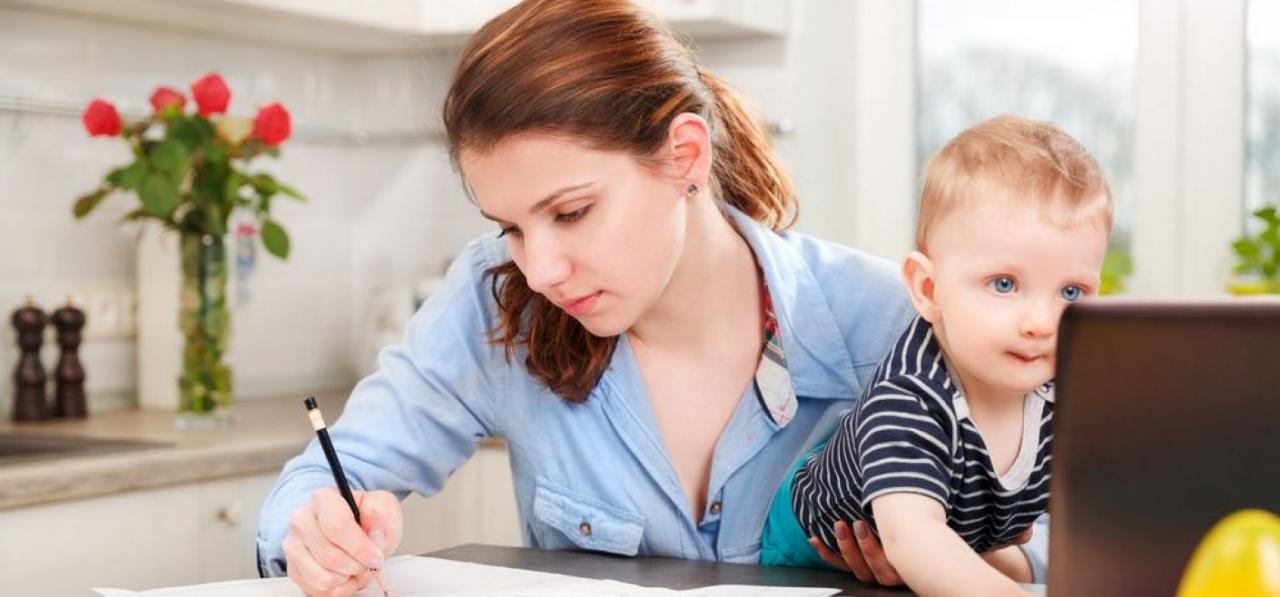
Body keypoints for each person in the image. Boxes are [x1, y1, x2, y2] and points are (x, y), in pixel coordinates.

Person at [255, 1, 1048, 595]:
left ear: (685, 155)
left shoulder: (887, 320)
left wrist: (973, 558)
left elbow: (1068, 531)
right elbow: (317, 483)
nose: (542, 269)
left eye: (571, 212)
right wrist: (318, 529)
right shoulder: (497, 301)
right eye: (512, 228)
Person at [760, 115, 1112, 596]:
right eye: (1004, 284)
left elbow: (1106, 513)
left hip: (950, 537)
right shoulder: (910, 397)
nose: (1041, 322)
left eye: (1070, 291)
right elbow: (913, 538)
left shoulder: (1064, 386)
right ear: (928, 289)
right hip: (807, 561)